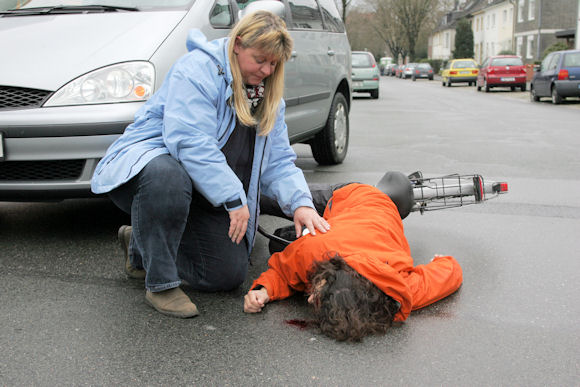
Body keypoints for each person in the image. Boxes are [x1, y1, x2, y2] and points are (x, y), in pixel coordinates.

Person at [91, 11, 329, 318]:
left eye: (274, 64)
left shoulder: (268, 98)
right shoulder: (197, 70)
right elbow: (190, 142)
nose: (267, 70)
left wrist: (301, 204)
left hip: (207, 189)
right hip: (150, 175)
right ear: (238, 44)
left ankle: (141, 241)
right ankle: (160, 283)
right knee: (168, 176)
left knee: (226, 275)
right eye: (260, 60)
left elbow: (280, 162)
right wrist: (233, 197)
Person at [244, 181, 463, 341]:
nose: (310, 300)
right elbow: (284, 269)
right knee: (258, 197)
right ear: (329, 273)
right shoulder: (316, 249)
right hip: (349, 196)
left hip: (366, 219)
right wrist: (266, 288)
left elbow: (449, 272)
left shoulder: (397, 285)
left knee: (283, 242)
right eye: (319, 295)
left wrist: (264, 291)